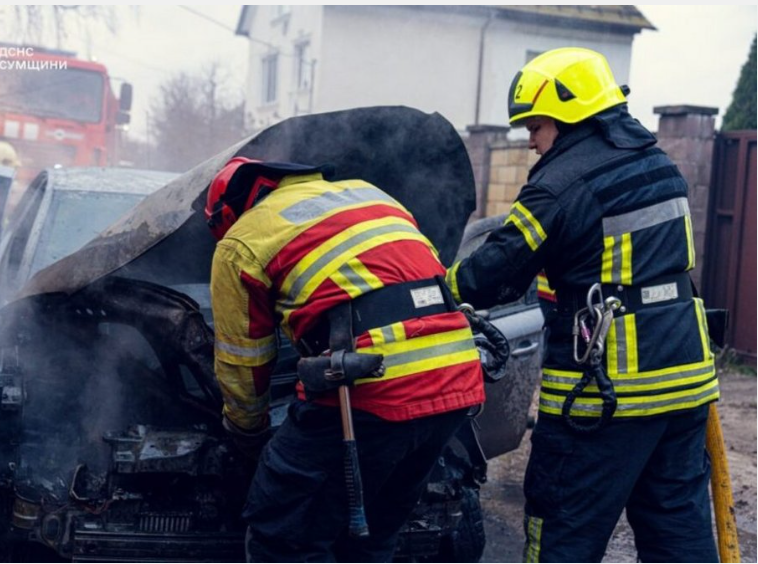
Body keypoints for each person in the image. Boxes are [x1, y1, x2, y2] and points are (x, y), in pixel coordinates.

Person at [446, 47, 719, 562]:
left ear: (570, 115)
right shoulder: (661, 165)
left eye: (536, 125)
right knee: (677, 527)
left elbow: (496, 272)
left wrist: (443, 283)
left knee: (562, 527)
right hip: (686, 384)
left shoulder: (560, 183)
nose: (529, 141)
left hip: (606, 396)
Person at [205, 157, 485, 562]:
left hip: (371, 391)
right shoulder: (369, 194)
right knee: (373, 539)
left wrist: (248, 433)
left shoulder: (241, 241)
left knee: (283, 537)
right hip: (456, 379)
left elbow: (243, 360)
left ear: (226, 215)